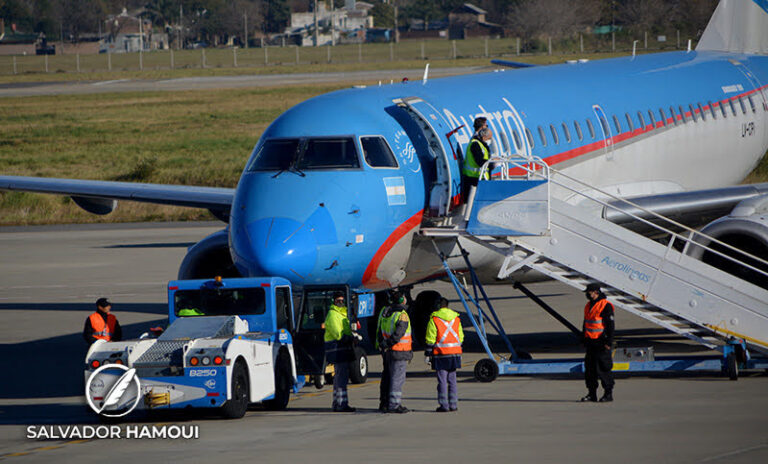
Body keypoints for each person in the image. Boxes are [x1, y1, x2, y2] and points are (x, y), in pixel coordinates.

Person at [424, 297, 464, 412]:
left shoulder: (434, 319)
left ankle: (444, 405)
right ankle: (453, 404)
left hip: (441, 354)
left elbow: (431, 338)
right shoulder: (456, 318)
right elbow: (460, 337)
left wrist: (428, 353)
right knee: (452, 380)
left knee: (442, 380)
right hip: (455, 353)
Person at [377, 290, 412, 413]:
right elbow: (399, 334)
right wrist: (389, 343)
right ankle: (394, 404)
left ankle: (384, 402)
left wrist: (383, 344)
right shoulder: (402, 315)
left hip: (387, 351)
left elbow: (380, 329)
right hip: (399, 350)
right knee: (397, 379)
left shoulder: (386, 312)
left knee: (387, 377)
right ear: (402, 300)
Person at [580, 283, 615, 403]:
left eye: (589, 293)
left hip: (601, 343)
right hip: (590, 343)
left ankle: (608, 394)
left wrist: (608, 342)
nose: (587, 295)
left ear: (596, 292)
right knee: (590, 370)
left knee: (604, 369)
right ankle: (592, 394)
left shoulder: (606, 306)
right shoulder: (588, 305)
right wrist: (584, 338)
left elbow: (610, 326)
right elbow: (586, 323)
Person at [324, 291, 356, 412]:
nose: (341, 303)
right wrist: (350, 338)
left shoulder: (342, 314)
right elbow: (338, 335)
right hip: (337, 351)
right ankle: (341, 404)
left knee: (340, 378)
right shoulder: (333, 315)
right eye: (338, 301)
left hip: (342, 350)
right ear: (334, 302)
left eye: (342, 301)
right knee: (341, 378)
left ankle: (338, 403)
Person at [462, 126, 493, 201]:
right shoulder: (475, 145)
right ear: (484, 137)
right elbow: (480, 161)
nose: (490, 140)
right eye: (489, 138)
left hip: (478, 177)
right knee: (473, 201)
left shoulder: (480, 144)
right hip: (473, 178)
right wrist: (492, 163)